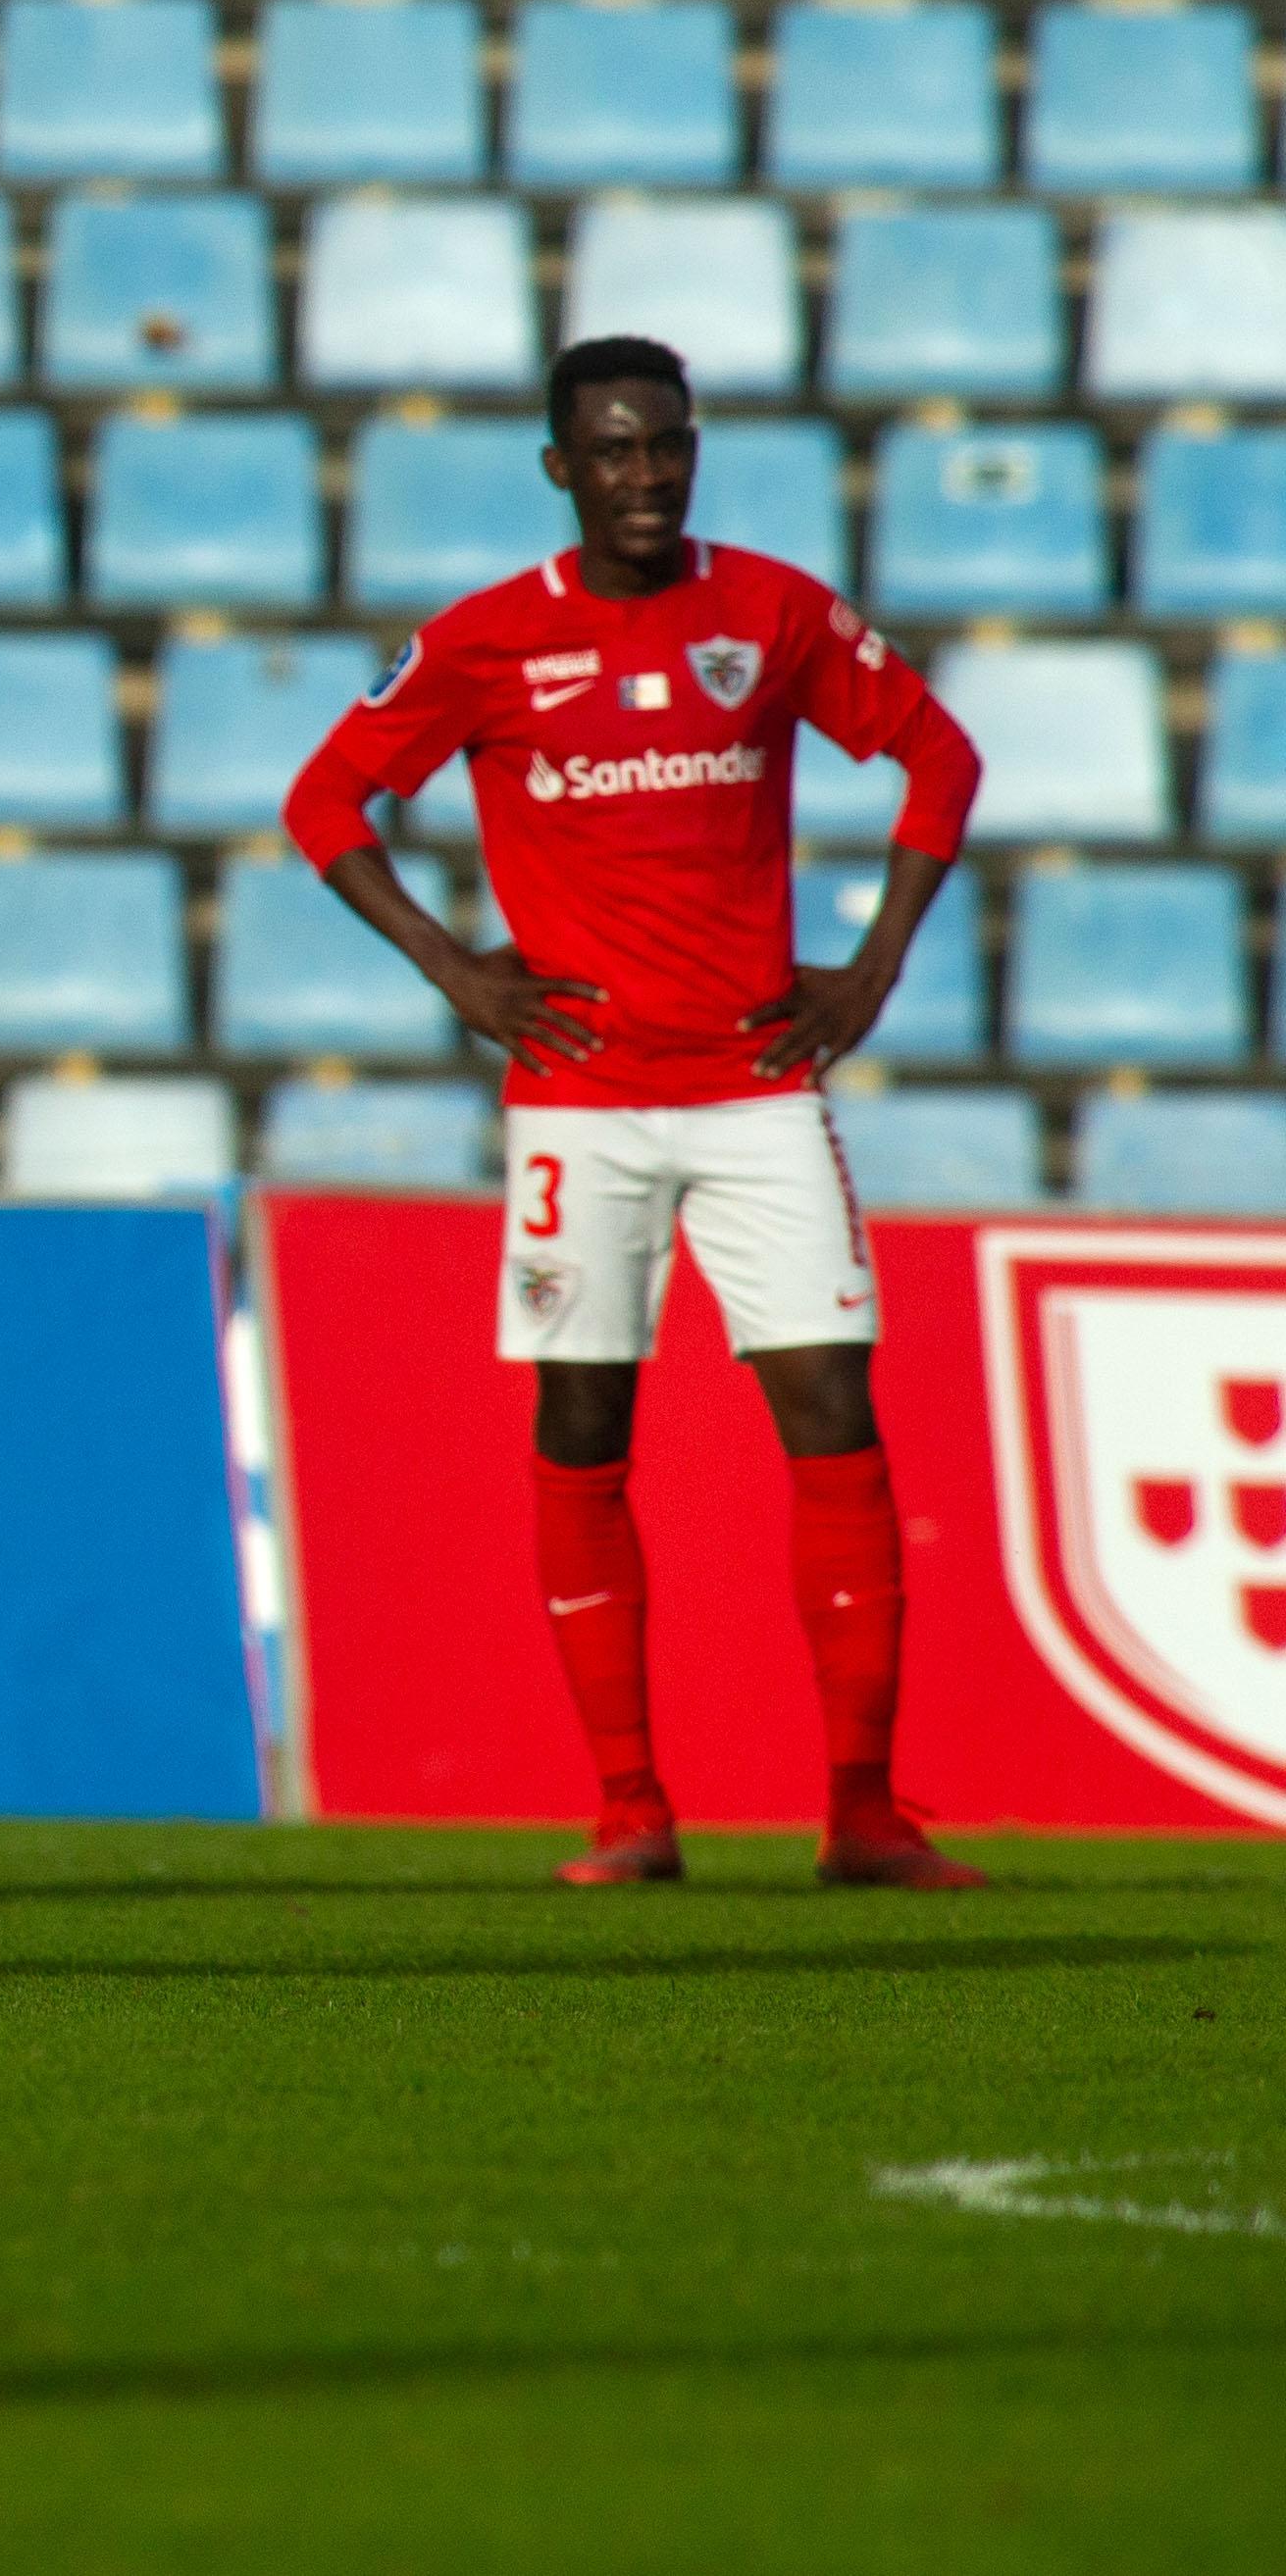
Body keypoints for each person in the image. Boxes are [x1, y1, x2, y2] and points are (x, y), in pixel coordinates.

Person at [283, 333, 988, 1893]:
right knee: (583, 1425)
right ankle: (628, 1807)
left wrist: (871, 969)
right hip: (578, 1106)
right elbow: (322, 801)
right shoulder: (483, 642)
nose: (646, 475)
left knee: (835, 1414)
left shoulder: (776, 611)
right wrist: (457, 968)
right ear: (561, 468)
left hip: (754, 1088)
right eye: (612, 450)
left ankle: (864, 1812)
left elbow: (940, 755)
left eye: (666, 445)